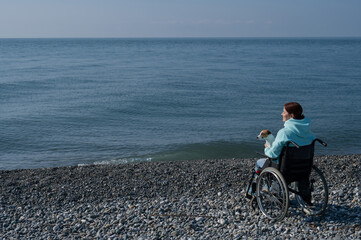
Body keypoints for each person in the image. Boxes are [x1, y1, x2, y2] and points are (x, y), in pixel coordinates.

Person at [254, 102, 316, 204]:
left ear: (291, 115)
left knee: (259, 163)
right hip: (304, 168)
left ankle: (261, 192)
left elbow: (273, 154)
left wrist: (266, 149)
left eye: (284, 112)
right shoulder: (308, 132)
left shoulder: (284, 133)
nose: (281, 114)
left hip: (285, 170)